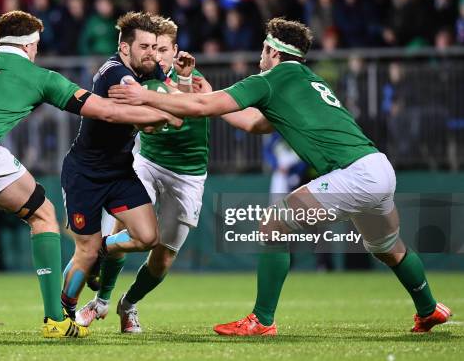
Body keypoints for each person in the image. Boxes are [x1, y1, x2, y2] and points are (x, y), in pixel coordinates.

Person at [107, 17, 451, 336]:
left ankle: (261, 320)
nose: (260, 55)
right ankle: (428, 308)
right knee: (390, 248)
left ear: (273, 51)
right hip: (378, 168)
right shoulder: (305, 79)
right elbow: (255, 124)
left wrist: (144, 95)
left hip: (354, 175)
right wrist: (206, 91)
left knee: (274, 224)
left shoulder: (272, 78)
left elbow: (201, 109)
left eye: (263, 49)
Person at [0, 10, 180, 341]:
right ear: (30, 45)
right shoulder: (40, 77)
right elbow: (107, 110)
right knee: (44, 216)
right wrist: (162, 111)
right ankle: (55, 319)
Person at [59, 12, 190, 320]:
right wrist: (164, 114)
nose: (152, 54)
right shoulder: (114, 72)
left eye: (156, 47)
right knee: (85, 251)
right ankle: (63, 314)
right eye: (144, 47)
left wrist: (164, 109)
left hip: (119, 171)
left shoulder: (150, 73)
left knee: (147, 238)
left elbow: (165, 114)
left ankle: (104, 248)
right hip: (85, 174)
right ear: (124, 49)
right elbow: (126, 115)